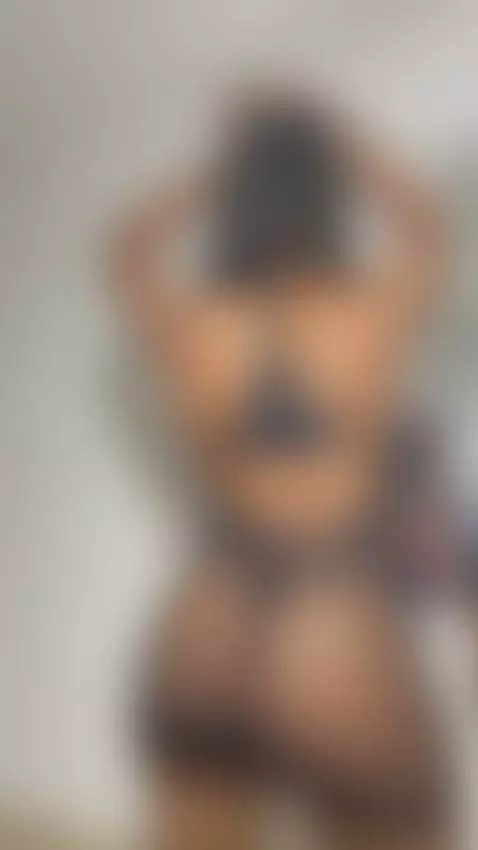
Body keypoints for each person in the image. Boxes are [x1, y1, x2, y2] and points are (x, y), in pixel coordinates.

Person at [108, 93, 453, 850]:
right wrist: (345, 147)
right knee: (398, 831)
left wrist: (219, 172)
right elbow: (429, 226)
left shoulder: (199, 321)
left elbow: (127, 248)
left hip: (213, 608)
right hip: (328, 604)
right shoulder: (365, 310)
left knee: (198, 831)